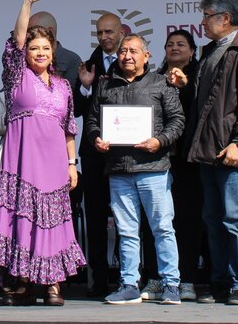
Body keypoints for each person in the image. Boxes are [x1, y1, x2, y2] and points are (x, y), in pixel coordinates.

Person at [0, 0, 85, 306]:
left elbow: (69, 129)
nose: (38, 52)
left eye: (45, 49)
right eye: (34, 48)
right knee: (21, 221)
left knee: (52, 221)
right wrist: (27, 2)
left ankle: (52, 284)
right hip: (20, 163)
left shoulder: (64, 86)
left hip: (53, 166)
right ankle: (21, 281)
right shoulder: (16, 75)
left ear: (53, 53)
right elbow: (18, 38)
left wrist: (72, 164)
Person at [84, 34, 185, 305]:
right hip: (119, 169)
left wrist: (159, 141)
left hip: (154, 168)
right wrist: (97, 138)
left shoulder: (162, 83)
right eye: (123, 51)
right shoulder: (105, 86)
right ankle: (129, 283)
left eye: (133, 51)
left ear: (146, 56)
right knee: (126, 230)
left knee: (163, 228)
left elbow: (177, 120)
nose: (127, 56)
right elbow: (93, 121)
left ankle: (170, 284)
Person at [184, 0, 238, 305]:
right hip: (208, 152)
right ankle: (220, 282)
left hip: (233, 153)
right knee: (214, 219)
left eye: (207, 16)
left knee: (235, 219)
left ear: (226, 18)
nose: (202, 22)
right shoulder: (211, 51)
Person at [139, 29, 205, 302]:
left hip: (189, 161)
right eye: (170, 44)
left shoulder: (200, 77)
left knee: (188, 221)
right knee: (154, 222)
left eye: (181, 44)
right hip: (156, 160)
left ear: (192, 51)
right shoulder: (153, 79)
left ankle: (187, 279)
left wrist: (185, 86)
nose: (175, 48)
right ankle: (154, 278)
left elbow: (202, 111)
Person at [74, 12, 124, 297]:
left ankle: (130, 277)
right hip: (95, 151)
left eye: (109, 32)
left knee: (127, 217)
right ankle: (99, 280)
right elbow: (77, 110)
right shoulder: (88, 63)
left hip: (126, 153)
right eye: (100, 32)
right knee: (95, 218)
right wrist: (85, 86)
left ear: (120, 32)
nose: (104, 37)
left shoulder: (132, 57)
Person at [28, 11, 83, 80]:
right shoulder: (26, 57)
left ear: (50, 31)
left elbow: (72, 89)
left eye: (36, 31)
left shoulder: (72, 60)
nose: (29, 35)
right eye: (28, 32)